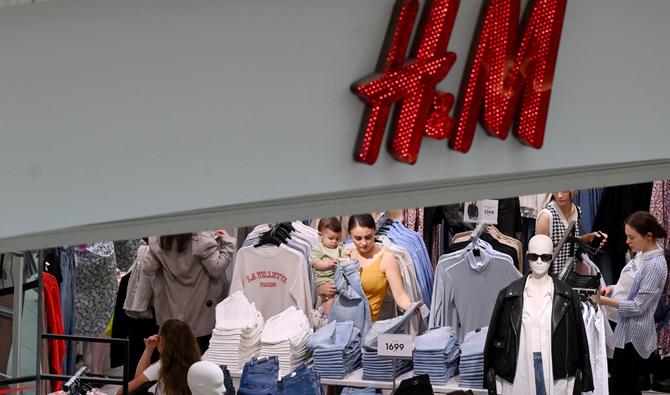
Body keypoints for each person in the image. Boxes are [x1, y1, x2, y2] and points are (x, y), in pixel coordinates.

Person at [485, 235, 593, 394]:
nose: (539, 262)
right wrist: (489, 379)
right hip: (521, 365)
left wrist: (586, 380)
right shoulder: (509, 295)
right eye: (533, 257)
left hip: (555, 369)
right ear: (527, 255)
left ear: (552, 257)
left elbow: (580, 342)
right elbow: (493, 341)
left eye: (546, 257)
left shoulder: (567, 296)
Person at [599, 211, 668, 395]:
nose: (627, 242)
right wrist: (612, 289)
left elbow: (638, 306)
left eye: (631, 237)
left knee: (623, 384)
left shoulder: (654, 265)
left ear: (648, 236)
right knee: (622, 383)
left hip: (633, 333)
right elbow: (629, 284)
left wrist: (604, 301)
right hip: (622, 325)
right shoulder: (641, 253)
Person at [143, 231, 236, 352]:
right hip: (200, 316)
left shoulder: (157, 240)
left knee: (172, 361)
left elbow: (148, 268)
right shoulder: (202, 241)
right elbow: (216, 268)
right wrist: (228, 243)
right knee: (198, 362)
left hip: (170, 313)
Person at [343, 213, 413, 321]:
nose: (363, 243)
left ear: (375, 231)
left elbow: (400, 295)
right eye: (357, 238)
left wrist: (410, 306)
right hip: (339, 323)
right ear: (350, 235)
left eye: (368, 237)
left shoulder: (386, 259)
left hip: (366, 327)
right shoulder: (346, 254)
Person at [117, 319, 201, 395]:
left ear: (161, 341)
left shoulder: (162, 366)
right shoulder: (197, 363)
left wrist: (149, 349)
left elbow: (129, 387)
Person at [536, 190, 608, 276]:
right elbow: (538, 256)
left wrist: (589, 238)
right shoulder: (546, 217)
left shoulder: (577, 210)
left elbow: (570, 241)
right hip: (550, 278)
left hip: (569, 275)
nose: (559, 195)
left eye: (564, 191)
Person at [310, 217, 346, 314]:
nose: (334, 241)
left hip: (336, 276)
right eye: (331, 238)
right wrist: (328, 264)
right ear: (320, 236)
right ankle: (327, 316)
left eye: (337, 238)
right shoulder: (318, 248)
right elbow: (315, 263)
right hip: (323, 278)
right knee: (331, 295)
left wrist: (343, 259)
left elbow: (345, 257)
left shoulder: (340, 247)